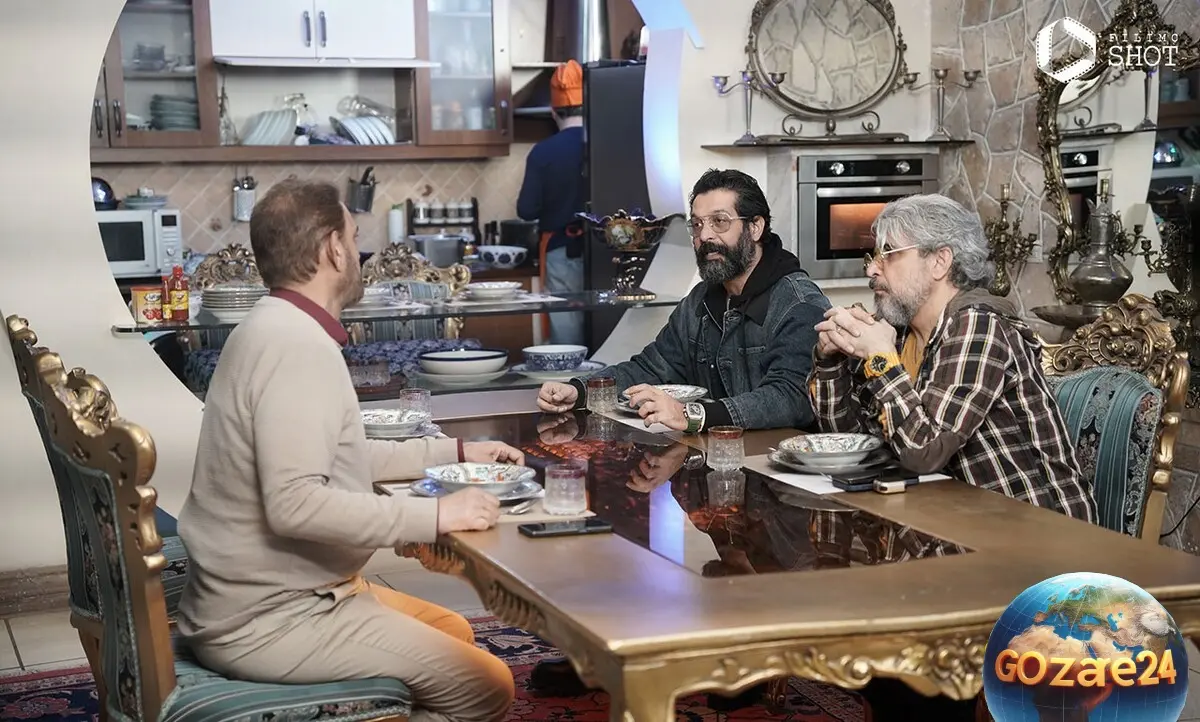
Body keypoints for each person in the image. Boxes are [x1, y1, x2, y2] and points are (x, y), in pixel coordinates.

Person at [176, 179, 520, 722]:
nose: (359, 253)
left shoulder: (270, 325)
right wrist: (436, 516)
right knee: (489, 686)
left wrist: (454, 452)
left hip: (270, 595)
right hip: (272, 618)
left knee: (452, 629)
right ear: (333, 249)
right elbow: (295, 505)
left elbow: (340, 456)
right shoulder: (297, 347)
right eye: (355, 237)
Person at [808, 193, 1096, 523]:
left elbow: (923, 453)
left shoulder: (979, 326)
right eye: (873, 256)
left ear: (940, 261)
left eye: (888, 254)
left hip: (1038, 532)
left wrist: (880, 359)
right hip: (947, 521)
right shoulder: (900, 333)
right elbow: (851, 445)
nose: (872, 269)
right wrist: (830, 359)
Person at [536, 168, 832, 432]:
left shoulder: (799, 303)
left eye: (719, 221)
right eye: (697, 225)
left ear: (755, 227)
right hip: (715, 455)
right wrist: (580, 391)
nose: (705, 236)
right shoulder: (700, 300)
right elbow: (651, 368)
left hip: (778, 465)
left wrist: (692, 415)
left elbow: (791, 397)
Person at [517, 59, 588, 346]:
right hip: (605, 252)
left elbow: (526, 210)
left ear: (553, 111)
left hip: (562, 250)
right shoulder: (605, 145)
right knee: (608, 320)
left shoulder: (543, 152)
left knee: (566, 323)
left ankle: (571, 373)